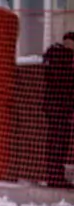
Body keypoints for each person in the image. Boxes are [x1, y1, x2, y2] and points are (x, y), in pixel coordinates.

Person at [42, 32, 74, 189]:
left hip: (55, 106)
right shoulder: (63, 57)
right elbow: (65, 84)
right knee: (59, 142)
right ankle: (55, 176)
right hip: (60, 107)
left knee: (57, 141)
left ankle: (54, 175)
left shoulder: (54, 55)